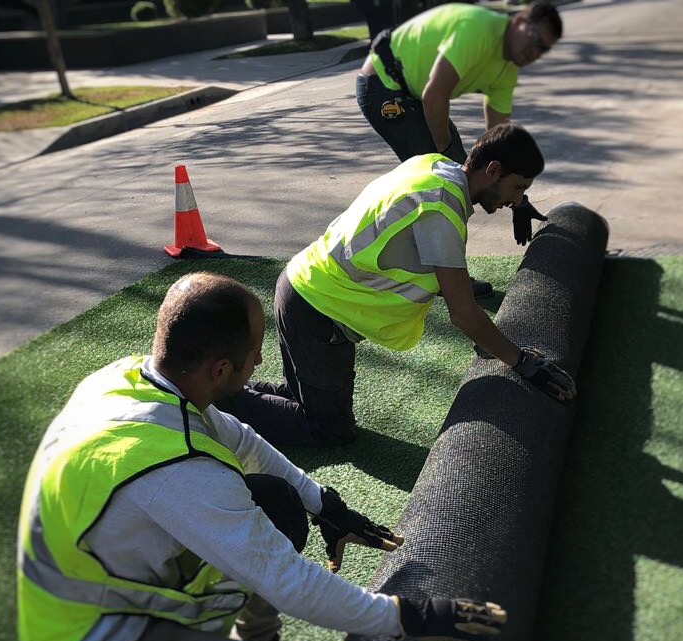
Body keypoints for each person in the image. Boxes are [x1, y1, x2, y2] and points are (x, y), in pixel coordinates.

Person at [16, 272, 508, 641]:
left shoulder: (128, 381)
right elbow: (291, 583)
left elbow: (243, 441)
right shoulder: (178, 470)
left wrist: (327, 506)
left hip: (94, 587)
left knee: (275, 500)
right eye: (255, 351)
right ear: (221, 369)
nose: (260, 360)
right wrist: (413, 615)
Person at [217, 124, 576, 450]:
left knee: (302, 400)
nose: (515, 199)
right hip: (320, 310)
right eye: (517, 188)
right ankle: (211, 400)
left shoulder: (434, 167)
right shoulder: (440, 209)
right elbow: (462, 311)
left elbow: (440, 274)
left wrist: (517, 202)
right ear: (493, 170)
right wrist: (522, 362)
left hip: (305, 286)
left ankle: (224, 392)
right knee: (328, 430)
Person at [357, 1, 564, 296]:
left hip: (413, 94)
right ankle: (448, 278)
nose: (535, 53)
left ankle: (433, 265)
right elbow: (434, 95)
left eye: (543, 49)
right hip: (383, 84)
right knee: (453, 183)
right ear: (519, 21)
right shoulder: (478, 29)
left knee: (464, 176)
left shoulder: (506, 71)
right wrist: (447, 160)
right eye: (535, 40)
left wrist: (518, 199)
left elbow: (499, 145)